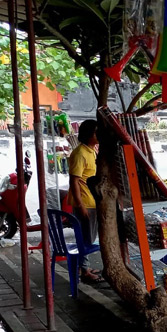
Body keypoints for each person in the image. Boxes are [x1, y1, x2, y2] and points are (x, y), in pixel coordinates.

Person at [67, 119, 102, 283]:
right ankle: (84, 270)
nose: (98, 135)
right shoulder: (80, 153)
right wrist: (80, 205)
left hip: (91, 201)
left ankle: (85, 267)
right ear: (89, 135)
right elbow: (74, 180)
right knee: (86, 238)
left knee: (88, 236)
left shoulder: (91, 150)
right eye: (96, 132)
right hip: (85, 202)